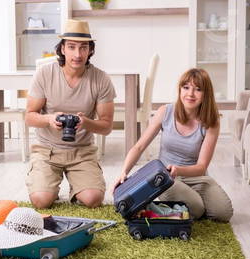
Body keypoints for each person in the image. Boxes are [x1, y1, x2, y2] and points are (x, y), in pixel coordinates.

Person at [112, 68, 233, 222]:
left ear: (205, 94)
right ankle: (179, 203)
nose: (190, 94)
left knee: (223, 213)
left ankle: (182, 203)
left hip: (196, 177)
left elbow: (202, 166)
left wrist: (179, 169)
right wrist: (124, 171)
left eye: (198, 89)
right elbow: (139, 147)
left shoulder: (211, 122)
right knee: (197, 209)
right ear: (180, 89)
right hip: (167, 178)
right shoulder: (165, 112)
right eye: (186, 87)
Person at [25, 19, 116, 209]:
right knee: (41, 201)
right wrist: (49, 119)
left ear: (90, 50)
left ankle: (79, 186)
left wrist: (86, 123)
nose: (77, 54)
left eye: (83, 48)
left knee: (93, 199)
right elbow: (29, 116)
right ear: (62, 49)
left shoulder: (101, 79)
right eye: (72, 47)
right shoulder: (44, 74)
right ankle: (49, 187)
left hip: (82, 151)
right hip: (47, 150)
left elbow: (107, 126)